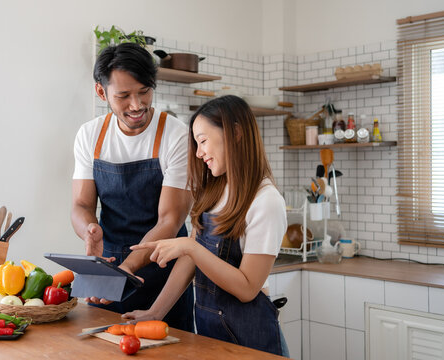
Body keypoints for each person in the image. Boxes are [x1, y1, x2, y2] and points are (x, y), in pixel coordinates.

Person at [122, 95, 290, 357]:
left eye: (202, 141)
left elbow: (247, 288)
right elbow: (192, 261)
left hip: (253, 344)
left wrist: (191, 247)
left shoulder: (266, 201)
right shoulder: (213, 193)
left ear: (235, 133)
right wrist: (155, 312)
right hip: (212, 339)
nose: (199, 153)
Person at [70, 42, 194, 332]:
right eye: (123, 96)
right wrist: (89, 229)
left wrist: (128, 268)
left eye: (144, 92)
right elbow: (81, 205)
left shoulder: (175, 136)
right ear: (101, 92)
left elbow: (170, 220)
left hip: (164, 274)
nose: (137, 105)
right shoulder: (91, 135)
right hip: (109, 266)